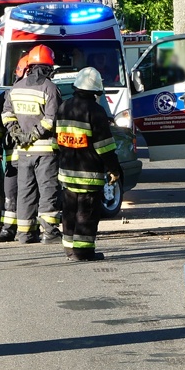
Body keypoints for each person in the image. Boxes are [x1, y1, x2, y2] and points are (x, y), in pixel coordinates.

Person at [55, 67, 121, 262]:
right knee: (87, 212)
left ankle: (69, 250)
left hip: (67, 173)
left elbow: (55, 142)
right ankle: (84, 252)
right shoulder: (96, 111)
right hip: (88, 174)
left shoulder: (64, 107)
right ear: (95, 91)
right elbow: (104, 147)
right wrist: (114, 169)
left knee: (69, 211)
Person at [1, 45, 63, 244]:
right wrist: (34, 134)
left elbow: (7, 114)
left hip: (23, 152)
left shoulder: (16, 88)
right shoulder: (50, 88)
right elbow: (52, 120)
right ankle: (50, 232)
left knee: (25, 192)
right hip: (45, 150)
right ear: (47, 67)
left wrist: (16, 132)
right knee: (47, 190)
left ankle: (25, 234)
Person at [0, 55, 28, 242]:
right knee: (11, 192)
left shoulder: (42, 93)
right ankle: (8, 228)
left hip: (31, 155)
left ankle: (26, 228)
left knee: (26, 192)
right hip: (15, 153)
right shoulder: (6, 96)